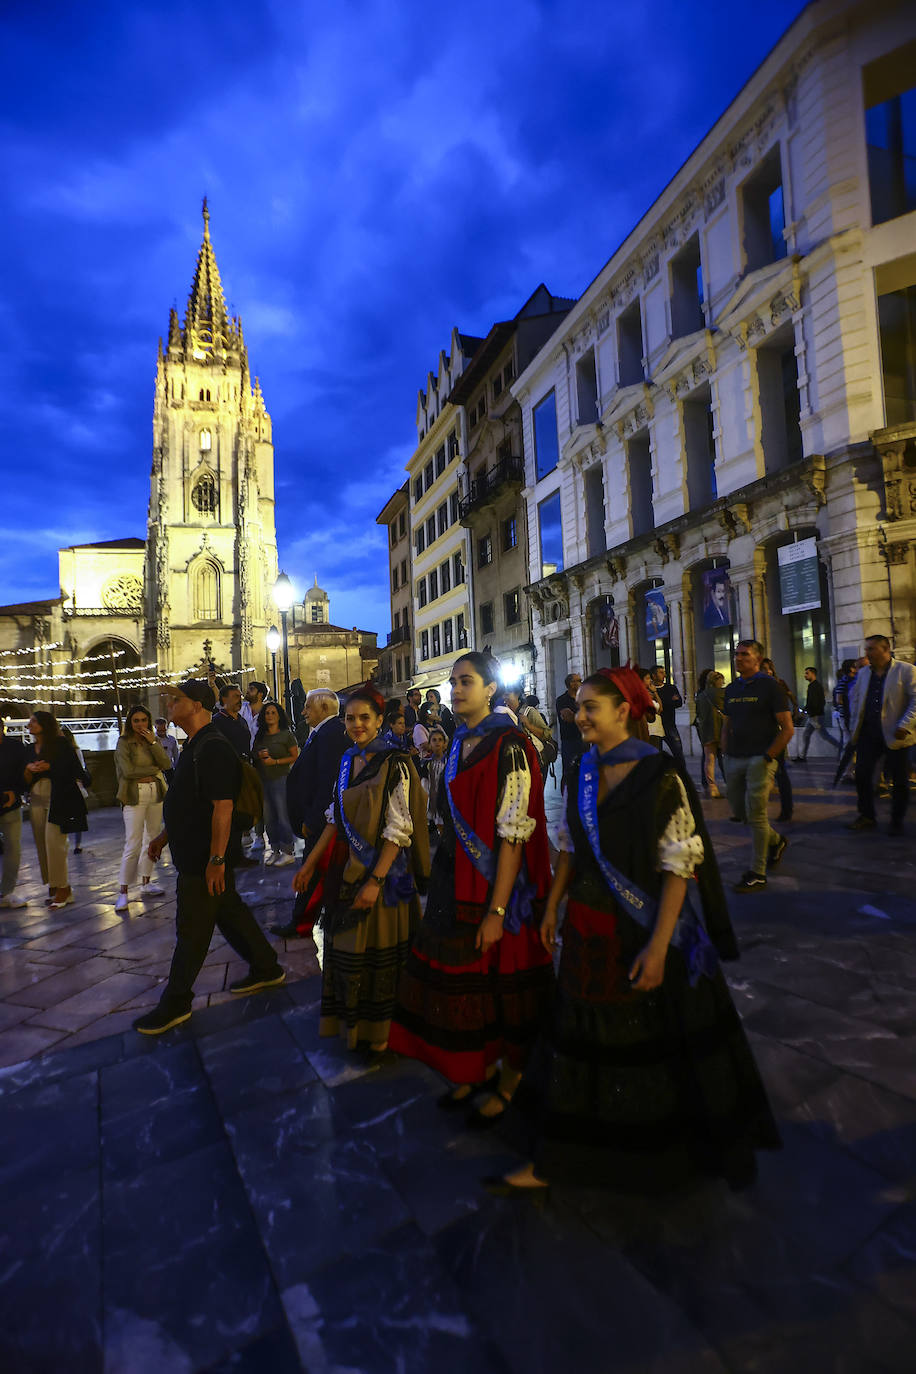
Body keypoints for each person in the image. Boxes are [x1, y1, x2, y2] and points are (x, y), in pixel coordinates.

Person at [489, 666, 779, 1196]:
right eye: (577, 707)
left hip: (642, 929)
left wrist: (659, 944)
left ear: (624, 710)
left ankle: (645, 1158)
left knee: (646, 1043)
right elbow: (572, 846)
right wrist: (553, 903)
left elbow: (678, 867)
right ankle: (558, 1155)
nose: (579, 717)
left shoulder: (658, 776)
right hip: (587, 927)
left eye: (590, 707)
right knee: (578, 1037)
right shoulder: (580, 769)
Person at [389, 651, 554, 1127]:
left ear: (489, 690)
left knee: (504, 990)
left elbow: (514, 833)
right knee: (467, 987)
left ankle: (510, 1083)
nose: (457, 689)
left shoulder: (511, 747)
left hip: (497, 889)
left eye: (468, 681)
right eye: (454, 682)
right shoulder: (459, 741)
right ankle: (474, 1069)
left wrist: (498, 911)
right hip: (452, 883)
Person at [133, 679, 285, 1035]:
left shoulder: (213, 746)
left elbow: (223, 807)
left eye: (177, 699)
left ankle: (176, 1002)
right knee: (229, 912)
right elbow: (192, 800)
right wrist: (164, 836)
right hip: (195, 853)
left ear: (198, 705)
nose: (169, 704)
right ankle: (266, 967)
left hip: (204, 858)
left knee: (192, 930)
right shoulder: (196, 744)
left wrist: (217, 861)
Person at [292, 682, 429, 1054]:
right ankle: (355, 1030)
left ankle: (384, 1035)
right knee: (350, 955)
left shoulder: (395, 763)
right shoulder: (346, 760)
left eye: (364, 718)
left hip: (385, 879)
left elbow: (398, 830)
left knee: (380, 958)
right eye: (350, 718)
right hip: (347, 871)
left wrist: (376, 881)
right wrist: (312, 862)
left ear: (380, 720)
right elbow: (335, 818)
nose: (356, 725)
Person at [270, 688, 348, 939]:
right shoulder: (323, 732)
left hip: (321, 820)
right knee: (315, 872)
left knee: (313, 871)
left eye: (307, 707)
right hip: (317, 818)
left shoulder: (330, 734)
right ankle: (306, 919)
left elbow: (327, 782)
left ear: (324, 709)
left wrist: (313, 820)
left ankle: (301, 922)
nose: (303, 711)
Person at [721, 640, 794, 893]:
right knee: (741, 812)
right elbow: (727, 723)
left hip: (759, 758)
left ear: (758, 658)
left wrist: (768, 756)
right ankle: (776, 841)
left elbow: (787, 728)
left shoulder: (770, 686)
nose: (739, 658)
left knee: (757, 814)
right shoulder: (732, 688)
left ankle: (757, 872)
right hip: (734, 756)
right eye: (736, 654)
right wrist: (724, 751)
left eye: (744, 654)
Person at [846, 635, 916, 837]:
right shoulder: (864, 673)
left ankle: (896, 820)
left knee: (899, 779)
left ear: (886, 649)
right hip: (869, 733)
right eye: (866, 649)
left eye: (872, 649)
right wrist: (854, 730)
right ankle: (866, 815)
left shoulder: (906, 670)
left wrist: (905, 724)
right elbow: (856, 701)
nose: (867, 653)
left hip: (896, 733)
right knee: (862, 775)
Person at [23, 711, 88, 911]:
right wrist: (29, 769)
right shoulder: (28, 749)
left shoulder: (60, 745)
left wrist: (49, 766)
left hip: (57, 797)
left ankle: (63, 888)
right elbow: (23, 779)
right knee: (42, 844)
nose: (29, 724)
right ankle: (54, 885)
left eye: (34, 721)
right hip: (36, 797)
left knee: (55, 843)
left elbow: (75, 770)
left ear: (44, 724)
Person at [114, 704, 171, 914]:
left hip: (155, 792)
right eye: (136, 721)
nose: (140, 724)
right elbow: (128, 771)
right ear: (130, 722)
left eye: (143, 720)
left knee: (153, 837)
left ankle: (146, 882)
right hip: (134, 794)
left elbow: (166, 763)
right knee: (133, 842)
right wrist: (152, 770)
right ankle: (123, 892)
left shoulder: (152, 741)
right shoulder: (124, 742)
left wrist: (154, 742)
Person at [253, 702, 299, 866]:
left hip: (280, 779)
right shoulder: (261, 736)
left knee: (282, 815)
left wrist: (276, 761)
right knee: (269, 817)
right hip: (263, 779)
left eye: (273, 712)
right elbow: (255, 754)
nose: (270, 716)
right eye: (267, 713)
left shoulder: (286, 735)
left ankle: (288, 850)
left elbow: (295, 756)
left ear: (279, 715)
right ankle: (275, 849)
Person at [760, 659, 793, 822]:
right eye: (764, 669)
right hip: (761, 735)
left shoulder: (777, 685)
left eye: (769, 668)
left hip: (776, 735)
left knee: (781, 773)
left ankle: (787, 810)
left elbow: (789, 699)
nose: (767, 671)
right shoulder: (758, 686)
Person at [0, 719, 27, 909]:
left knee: (13, 849)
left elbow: (24, 774)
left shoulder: (16, 747)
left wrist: (15, 792)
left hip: (10, 804)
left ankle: (7, 891)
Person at [240, 680, 269, 852]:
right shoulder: (241, 708)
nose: (247, 692)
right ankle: (245, 832)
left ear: (259, 694)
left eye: (251, 689)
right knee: (243, 797)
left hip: (259, 760)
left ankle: (259, 834)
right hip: (243, 759)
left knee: (260, 799)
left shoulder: (268, 712)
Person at [794, 667, 841, 761]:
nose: (805, 675)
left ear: (812, 674)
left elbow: (813, 702)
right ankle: (802, 756)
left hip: (816, 716)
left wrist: (805, 711)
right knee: (806, 735)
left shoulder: (814, 686)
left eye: (807, 673)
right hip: (814, 716)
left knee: (824, 735)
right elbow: (818, 702)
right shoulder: (815, 686)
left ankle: (842, 748)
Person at [695, 670, 726, 799]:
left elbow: (698, 714)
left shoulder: (701, 696)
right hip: (721, 729)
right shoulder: (722, 693)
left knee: (709, 760)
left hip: (706, 731)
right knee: (725, 759)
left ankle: (712, 788)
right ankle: (731, 785)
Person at [555, 671, 584, 788]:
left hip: (584, 740)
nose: (580, 683)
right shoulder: (562, 700)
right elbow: (568, 718)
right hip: (569, 740)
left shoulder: (583, 699)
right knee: (569, 771)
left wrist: (576, 717)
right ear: (571, 684)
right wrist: (582, 717)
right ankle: (568, 797)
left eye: (580, 680)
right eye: (578, 681)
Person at [212, 683, 253, 759]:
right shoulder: (216, 721)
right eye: (235, 696)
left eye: (240, 696)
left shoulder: (242, 721)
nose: (239, 700)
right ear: (224, 699)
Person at [652, 665, 684, 761]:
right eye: (661, 673)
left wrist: (662, 702)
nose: (664, 675)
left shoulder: (670, 688)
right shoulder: (651, 690)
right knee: (656, 755)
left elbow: (678, 702)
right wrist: (670, 701)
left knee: (678, 752)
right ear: (654, 676)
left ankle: (682, 773)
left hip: (669, 725)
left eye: (664, 672)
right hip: (656, 726)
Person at [424, 726, 448, 836]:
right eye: (434, 740)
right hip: (432, 802)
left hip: (445, 802)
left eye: (440, 740)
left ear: (444, 744)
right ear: (429, 744)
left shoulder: (449, 763)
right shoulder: (425, 764)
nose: (437, 743)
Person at [832, 659, 858, 753]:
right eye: (856, 666)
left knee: (848, 740)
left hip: (847, 715)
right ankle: (846, 763)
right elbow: (839, 700)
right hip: (846, 715)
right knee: (848, 740)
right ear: (851, 669)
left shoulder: (848, 680)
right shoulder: (845, 681)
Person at [642, 669, 666, 750]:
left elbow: (660, 709)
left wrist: (655, 692)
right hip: (649, 730)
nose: (650, 681)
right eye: (648, 678)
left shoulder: (650, 693)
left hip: (656, 729)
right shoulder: (642, 695)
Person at [155, 717, 180, 782]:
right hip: (156, 770)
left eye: (164, 730)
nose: (162, 733)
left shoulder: (172, 740)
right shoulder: (152, 739)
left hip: (169, 770)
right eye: (159, 730)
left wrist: (176, 770)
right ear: (155, 727)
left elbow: (176, 756)